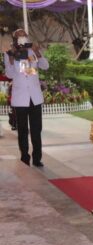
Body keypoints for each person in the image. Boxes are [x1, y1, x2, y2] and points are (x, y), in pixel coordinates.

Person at [4, 28, 49, 167]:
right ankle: (24, 157)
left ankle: (37, 158)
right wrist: (12, 60)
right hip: (20, 98)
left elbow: (45, 66)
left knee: (36, 129)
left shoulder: (32, 52)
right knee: (22, 130)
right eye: (19, 36)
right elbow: (10, 75)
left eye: (24, 35)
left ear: (27, 37)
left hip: (35, 97)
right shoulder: (9, 54)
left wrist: (37, 52)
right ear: (14, 39)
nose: (22, 37)